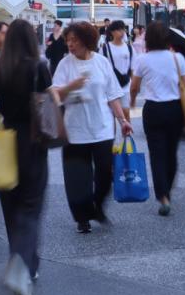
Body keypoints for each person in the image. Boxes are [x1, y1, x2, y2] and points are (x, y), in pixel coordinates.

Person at [0, 19, 52, 295]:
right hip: (33, 142)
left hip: (4, 140)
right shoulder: (39, 68)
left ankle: (20, 260)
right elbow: (46, 109)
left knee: (11, 205)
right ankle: (24, 265)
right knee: (31, 205)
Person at [53, 22, 133, 233]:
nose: (70, 44)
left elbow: (113, 95)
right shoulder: (65, 64)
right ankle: (82, 217)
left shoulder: (102, 63)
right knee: (77, 179)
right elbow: (56, 95)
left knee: (105, 174)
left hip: (102, 128)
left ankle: (97, 205)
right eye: (68, 40)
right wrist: (73, 86)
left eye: (75, 40)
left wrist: (122, 120)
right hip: (74, 130)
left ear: (87, 41)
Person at [130, 21, 185, 216]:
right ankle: (167, 188)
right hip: (174, 108)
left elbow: (134, 87)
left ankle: (163, 196)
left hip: (153, 110)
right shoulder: (177, 59)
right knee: (171, 151)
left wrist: (132, 102)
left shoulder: (143, 60)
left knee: (156, 153)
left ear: (148, 39)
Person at [101, 20, 134, 112]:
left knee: (126, 114)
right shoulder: (105, 48)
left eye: (123, 29)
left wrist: (133, 88)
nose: (122, 32)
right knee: (111, 115)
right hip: (110, 86)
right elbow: (101, 69)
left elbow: (132, 69)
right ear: (112, 32)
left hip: (126, 86)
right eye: (119, 30)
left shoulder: (129, 48)